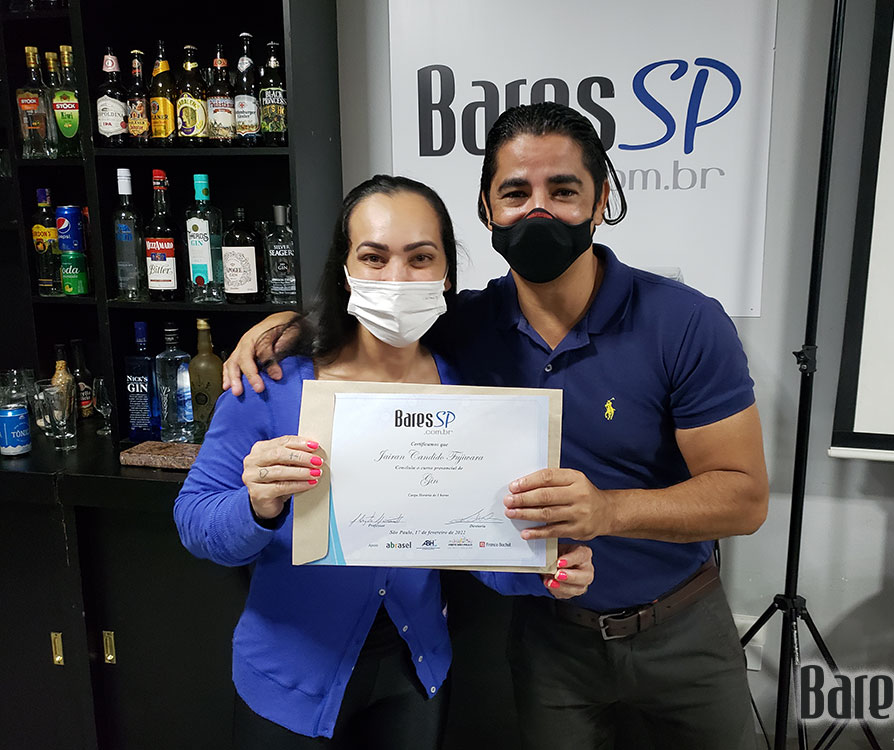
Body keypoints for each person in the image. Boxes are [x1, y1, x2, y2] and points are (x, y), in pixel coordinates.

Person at [225, 103, 769, 750]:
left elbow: (745, 498)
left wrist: (606, 510)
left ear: (601, 202)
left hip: (680, 627)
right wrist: (285, 325)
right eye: (515, 193)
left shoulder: (684, 323)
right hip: (549, 632)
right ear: (486, 210)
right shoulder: (460, 326)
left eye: (563, 190)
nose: (538, 211)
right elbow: (377, 313)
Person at [174, 174, 594, 749]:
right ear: (344, 269)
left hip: (414, 674)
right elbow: (195, 522)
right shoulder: (272, 384)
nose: (397, 278)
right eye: (373, 257)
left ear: (447, 273)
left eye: (421, 258)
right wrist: (257, 505)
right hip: (288, 680)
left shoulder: (465, 391)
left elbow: (471, 541)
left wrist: (545, 568)